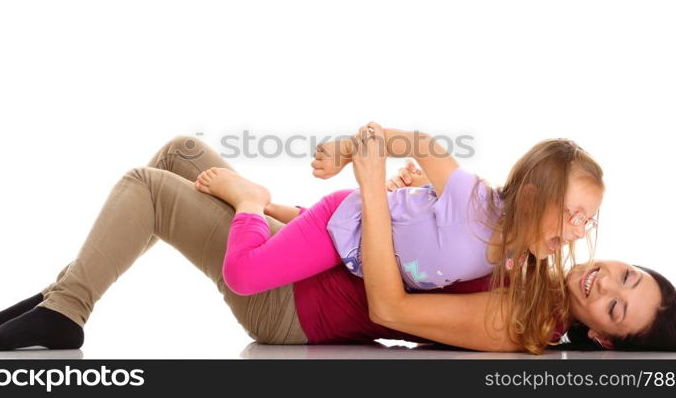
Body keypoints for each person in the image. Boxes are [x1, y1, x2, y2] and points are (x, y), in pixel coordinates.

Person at [0, 130, 676, 353]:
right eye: (625, 277)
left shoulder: (519, 320)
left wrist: (372, 181)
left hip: (295, 311)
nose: (601, 285)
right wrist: (323, 208)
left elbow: (386, 303)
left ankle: (64, 315)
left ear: (604, 344)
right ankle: (64, 293)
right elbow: (384, 232)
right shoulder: (529, 249)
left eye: (614, 310)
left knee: (145, 187)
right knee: (186, 158)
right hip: (323, 258)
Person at [194, 125, 604, 353]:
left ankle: (272, 211)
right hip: (345, 223)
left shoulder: (516, 260)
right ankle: (250, 200)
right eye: (574, 215)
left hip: (356, 256)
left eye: (587, 221)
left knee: (284, 235)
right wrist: (346, 150)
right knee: (244, 275)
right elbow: (421, 143)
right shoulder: (473, 198)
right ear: (532, 200)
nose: (577, 232)